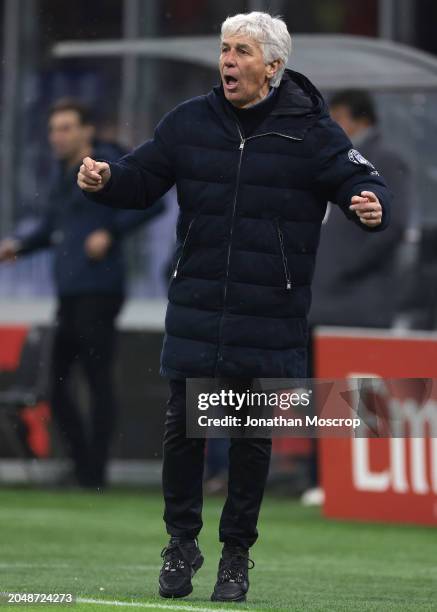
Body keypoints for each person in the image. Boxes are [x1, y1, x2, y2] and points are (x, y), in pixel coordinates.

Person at [77, 12, 392, 603]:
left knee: (248, 438)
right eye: (225, 48)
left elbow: (364, 182)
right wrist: (105, 179)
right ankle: (181, 541)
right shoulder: (189, 122)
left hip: (269, 310)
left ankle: (236, 556)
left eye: (242, 50)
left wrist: (368, 202)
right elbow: (141, 178)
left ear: (273, 67)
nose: (227, 59)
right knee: (183, 429)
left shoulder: (313, 131)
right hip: (198, 301)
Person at [0, 98, 163, 489]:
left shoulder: (109, 164)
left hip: (100, 290)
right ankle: (82, 462)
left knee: (96, 380)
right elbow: (54, 228)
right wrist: (18, 246)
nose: (58, 136)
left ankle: (95, 472)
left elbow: (150, 201)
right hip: (70, 291)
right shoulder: (64, 175)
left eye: (66, 128)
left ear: (87, 130)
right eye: (54, 129)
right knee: (56, 384)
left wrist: (111, 231)